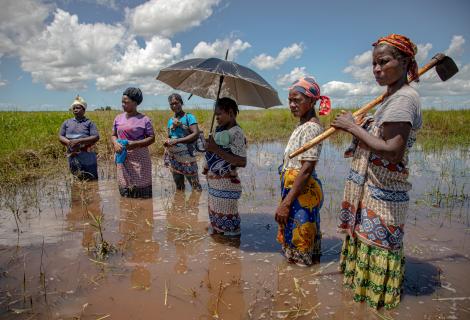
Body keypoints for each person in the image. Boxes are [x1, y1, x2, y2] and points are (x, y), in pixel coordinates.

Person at [332, 34, 422, 309]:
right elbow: (378, 136)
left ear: (404, 62)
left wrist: (353, 128)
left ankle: (376, 306)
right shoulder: (390, 98)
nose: (377, 69)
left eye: (384, 62)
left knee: (379, 248)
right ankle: (360, 307)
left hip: (384, 194)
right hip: (372, 191)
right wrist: (363, 125)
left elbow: (393, 151)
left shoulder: (404, 99)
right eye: (373, 64)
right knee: (367, 245)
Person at [275, 77, 331, 266]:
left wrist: (286, 203)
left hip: (301, 193)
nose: (292, 105)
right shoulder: (302, 125)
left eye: (297, 100)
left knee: (301, 241)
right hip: (296, 192)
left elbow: (306, 170)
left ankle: (301, 284)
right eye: (290, 100)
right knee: (298, 237)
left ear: (312, 101)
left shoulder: (311, 128)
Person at [204, 97, 247, 236]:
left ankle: (232, 251)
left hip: (227, 184)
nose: (217, 118)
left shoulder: (237, 133)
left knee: (229, 228)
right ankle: (220, 252)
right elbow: (214, 153)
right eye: (215, 114)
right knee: (217, 223)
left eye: (220, 114)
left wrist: (215, 149)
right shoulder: (219, 130)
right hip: (215, 185)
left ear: (231, 113)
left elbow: (241, 161)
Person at [112, 87, 155, 198]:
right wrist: (116, 143)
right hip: (122, 157)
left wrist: (134, 144)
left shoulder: (144, 119)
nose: (123, 104)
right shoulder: (118, 118)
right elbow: (113, 135)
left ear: (135, 103)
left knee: (142, 191)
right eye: (122, 102)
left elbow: (151, 138)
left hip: (140, 159)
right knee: (125, 188)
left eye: (126, 102)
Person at [163, 93, 202, 191]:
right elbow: (170, 136)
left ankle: (195, 204)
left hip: (187, 156)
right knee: (179, 186)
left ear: (181, 103)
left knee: (195, 187)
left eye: (176, 103)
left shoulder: (189, 117)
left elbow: (195, 134)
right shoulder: (170, 121)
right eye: (171, 104)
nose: (174, 106)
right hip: (174, 157)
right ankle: (179, 206)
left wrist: (177, 140)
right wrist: (167, 144)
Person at [59, 95, 99, 180]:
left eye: (78, 108)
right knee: (76, 178)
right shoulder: (67, 122)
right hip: (73, 155)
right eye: (74, 108)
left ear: (84, 110)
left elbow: (96, 137)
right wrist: (69, 142)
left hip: (88, 156)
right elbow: (60, 136)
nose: (75, 110)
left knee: (91, 179)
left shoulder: (89, 123)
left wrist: (79, 141)